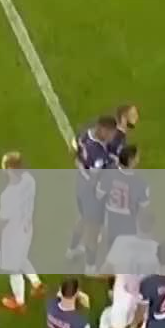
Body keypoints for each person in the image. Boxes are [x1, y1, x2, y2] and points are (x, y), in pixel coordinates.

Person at [95, 211, 159, 328]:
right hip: (141, 297)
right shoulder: (156, 249)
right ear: (153, 228)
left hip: (122, 294)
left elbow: (107, 269)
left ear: (137, 224)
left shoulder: (122, 242)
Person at [66, 115, 116, 275]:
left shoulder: (85, 134)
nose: (112, 137)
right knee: (93, 231)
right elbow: (96, 178)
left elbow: (73, 148)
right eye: (110, 133)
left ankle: (71, 250)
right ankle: (90, 266)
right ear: (102, 129)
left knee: (82, 219)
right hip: (92, 193)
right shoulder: (98, 153)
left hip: (80, 185)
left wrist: (80, 164)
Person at [0, 152, 45, 314]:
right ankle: (36, 283)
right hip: (27, 227)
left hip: (13, 232)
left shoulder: (8, 195)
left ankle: (19, 302)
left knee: (14, 268)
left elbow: (3, 220)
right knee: (21, 257)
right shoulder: (29, 180)